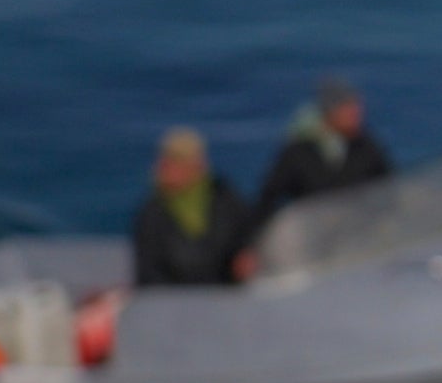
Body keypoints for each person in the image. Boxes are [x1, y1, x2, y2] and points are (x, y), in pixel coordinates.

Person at [129, 128, 257, 286]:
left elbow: (245, 235)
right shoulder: (152, 212)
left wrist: (244, 255)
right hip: (177, 296)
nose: (163, 169)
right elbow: (148, 273)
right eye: (165, 163)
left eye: (175, 163)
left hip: (225, 293)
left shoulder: (225, 197)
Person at [256, 77, 394, 218]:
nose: (357, 117)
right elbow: (269, 196)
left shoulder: (366, 146)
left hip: (359, 226)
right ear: (331, 113)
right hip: (314, 228)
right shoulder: (298, 151)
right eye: (350, 111)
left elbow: (390, 187)